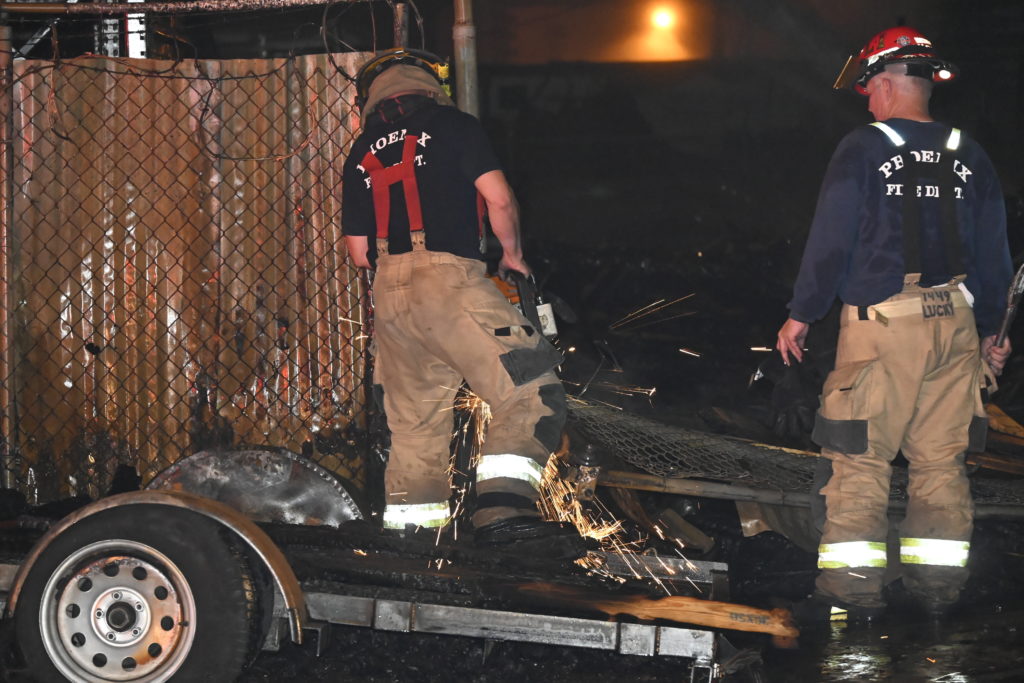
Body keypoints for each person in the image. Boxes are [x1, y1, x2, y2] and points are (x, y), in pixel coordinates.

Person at [776, 27, 1013, 623]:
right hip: (956, 324)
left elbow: (831, 239)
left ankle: (852, 596)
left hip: (884, 326)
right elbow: (995, 253)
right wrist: (993, 331)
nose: (868, 103)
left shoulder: (863, 147)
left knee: (859, 459)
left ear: (884, 84)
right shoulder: (969, 152)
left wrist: (802, 313)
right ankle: (936, 596)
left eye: (869, 91)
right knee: (941, 464)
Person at [341, 49, 577, 548]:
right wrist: (513, 256)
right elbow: (499, 198)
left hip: (390, 297)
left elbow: (359, 253)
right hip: (448, 281)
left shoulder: (360, 150)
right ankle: (502, 512)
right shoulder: (454, 126)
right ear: (432, 86)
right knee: (531, 391)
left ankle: (413, 540)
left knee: (415, 426)